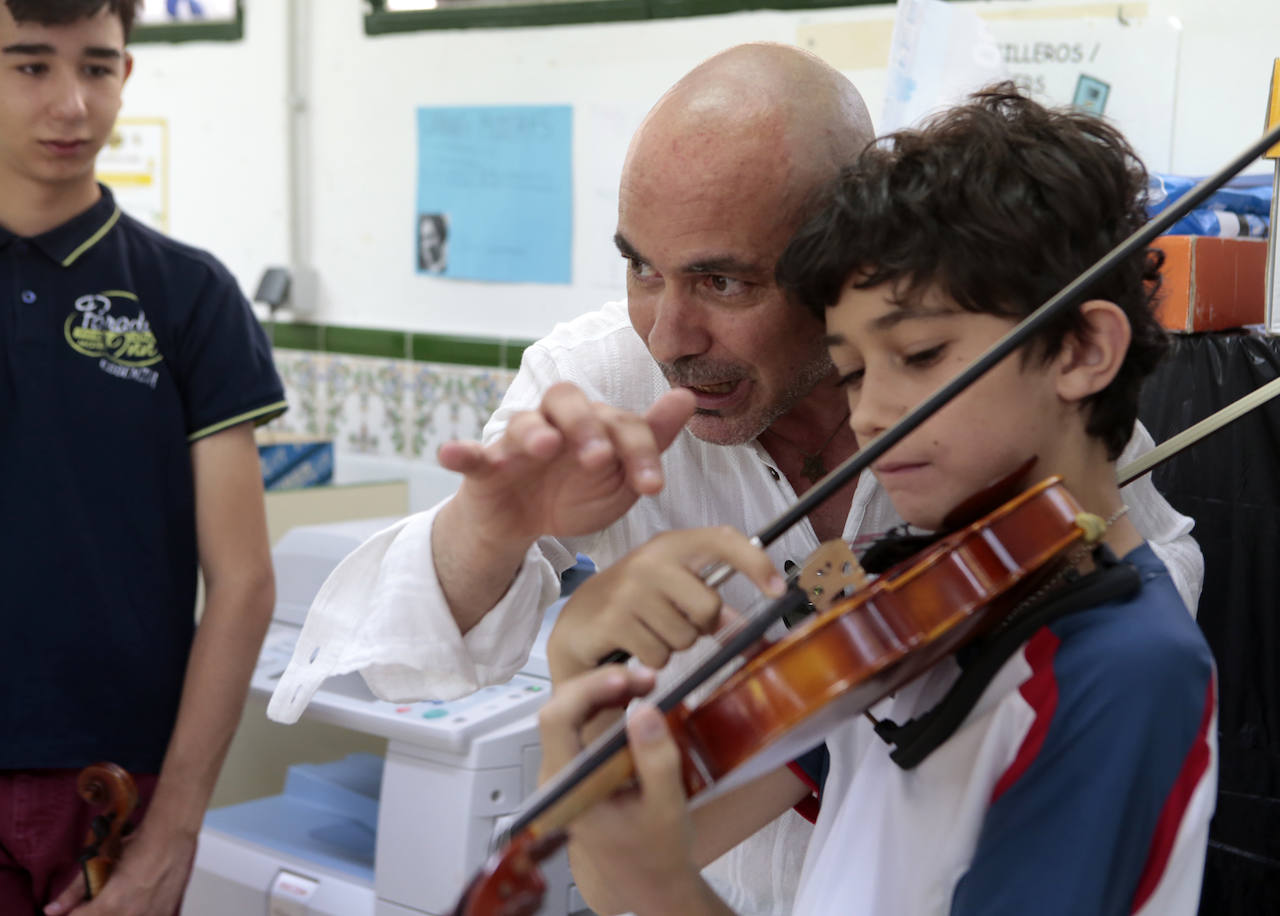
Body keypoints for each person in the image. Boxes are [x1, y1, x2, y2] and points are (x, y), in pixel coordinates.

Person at [268, 44, 1202, 916]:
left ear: (837, 264)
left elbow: (1129, 590)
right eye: (639, 267)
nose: (668, 335)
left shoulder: (1014, 435)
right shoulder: (603, 383)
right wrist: (507, 554)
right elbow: (594, 842)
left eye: (723, 283)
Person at [535, 84, 1218, 916]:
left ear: (1082, 348)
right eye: (853, 371)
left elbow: (654, 882)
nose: (873, 415)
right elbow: (624, 873)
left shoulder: (1124, 669)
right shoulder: (909, 620)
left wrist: (668, 891)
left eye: (922, 355)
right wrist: (583, 669)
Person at [0, 2, 286, 914]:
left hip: (111, 800)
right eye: (30, 66)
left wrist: (172, 840)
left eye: (97, 67)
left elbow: (242, 583)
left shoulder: (189, 296)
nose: (71, 105)